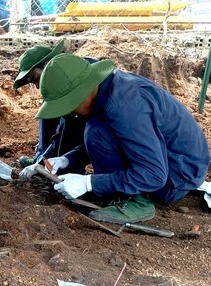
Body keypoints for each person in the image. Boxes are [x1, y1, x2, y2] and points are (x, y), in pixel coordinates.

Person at [36, 53, 210, 224]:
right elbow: (122, 138)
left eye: (70, 105)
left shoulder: (126, 106)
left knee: (96, 132)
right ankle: (119, 191)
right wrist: (67, 159)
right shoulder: (110, 89)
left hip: (178, 177)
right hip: (169, 163)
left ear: (84, 91)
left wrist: (89, 183)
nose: (70, 112)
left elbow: (154, 174)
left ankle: (137, 201)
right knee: (97, 130)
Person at [13, 40, 94, 179]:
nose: (38, 87)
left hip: (98, 120)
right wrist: (44, 159)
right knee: (47, 107)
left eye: (36, 79)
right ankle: (44, 157)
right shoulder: (57, 82)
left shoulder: (73, 76)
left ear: (48, 64)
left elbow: (66, 127)